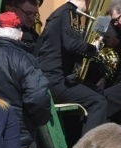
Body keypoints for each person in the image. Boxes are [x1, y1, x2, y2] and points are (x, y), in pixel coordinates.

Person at [0, 12, 51, 148]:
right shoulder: (25, 60)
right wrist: (40, 120)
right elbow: (38, 98)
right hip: (16, 137)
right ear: (20, 35)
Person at [37, 0, 107, 137]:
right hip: (55, 81)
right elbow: (71, 44)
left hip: (49, 79)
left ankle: (75, 140)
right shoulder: (69, 12)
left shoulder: (59, 12)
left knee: (99, 92)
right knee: (99, 101)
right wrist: (93, 48)